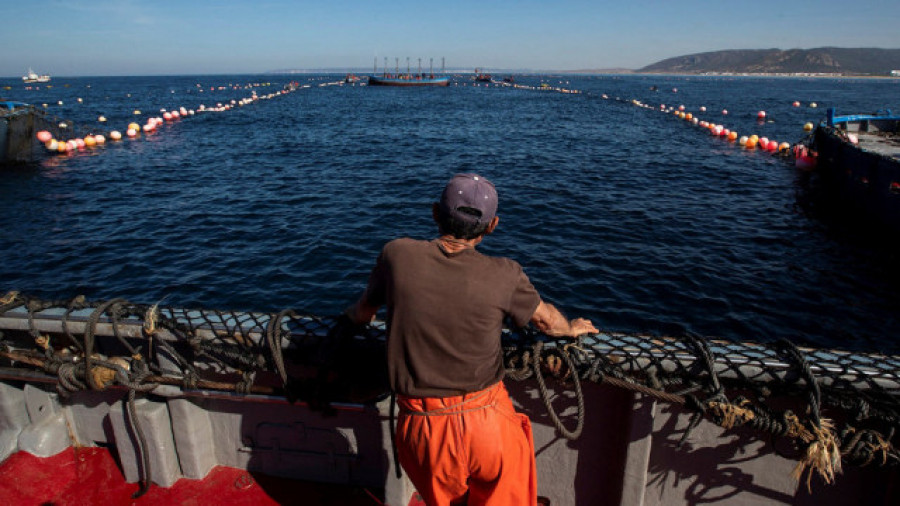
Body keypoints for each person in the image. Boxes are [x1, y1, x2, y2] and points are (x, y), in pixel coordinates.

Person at [343, 173, 598, 505]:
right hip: (488, 424)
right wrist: (572, 328)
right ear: (492, 226)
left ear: (435, 213)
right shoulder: (505, 273)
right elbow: (548, 322)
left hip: (423, 427)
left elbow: (362, 312)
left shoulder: (397, 255)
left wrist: (344, 323)